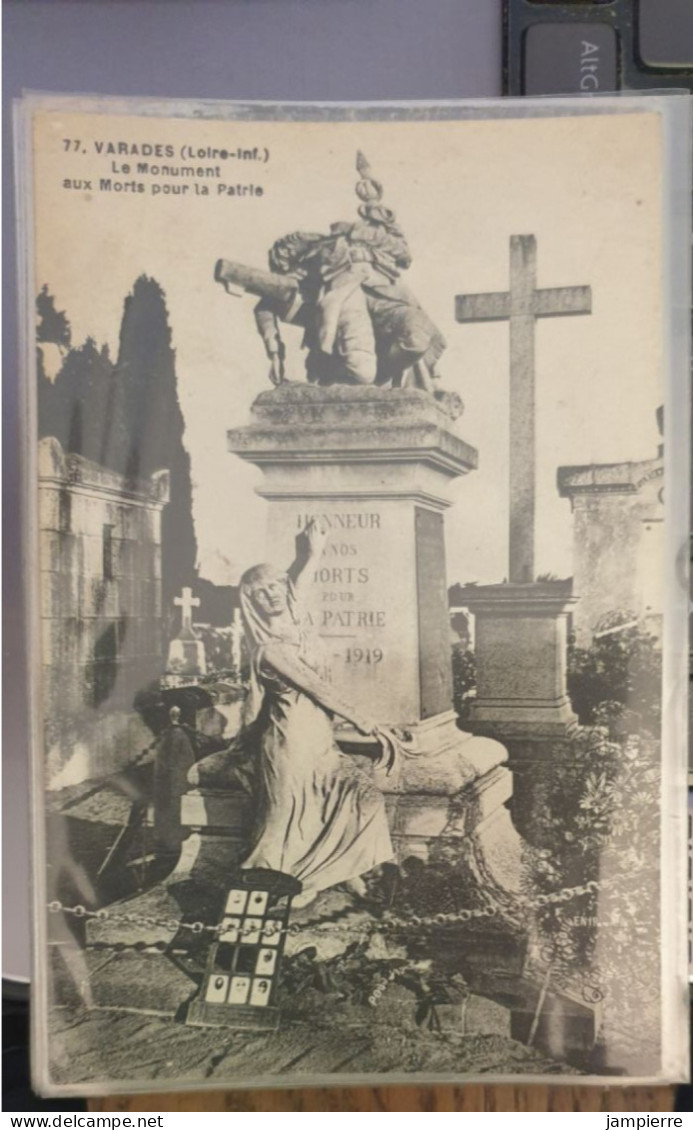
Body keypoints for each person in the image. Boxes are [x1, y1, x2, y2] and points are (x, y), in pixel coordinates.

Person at [235, 519, 394, 908]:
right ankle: (280, 888)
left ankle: (337, 870)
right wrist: (363, 719)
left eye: (275, 587)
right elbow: (315, 686)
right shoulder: (270, 650)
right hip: (289, 743)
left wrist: (312, 552)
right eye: (259, 593)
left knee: (359, 797)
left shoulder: (297, 622)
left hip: (319, 739)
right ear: (250, 603)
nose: (271, 596)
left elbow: (297, 587)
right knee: (286, 823)